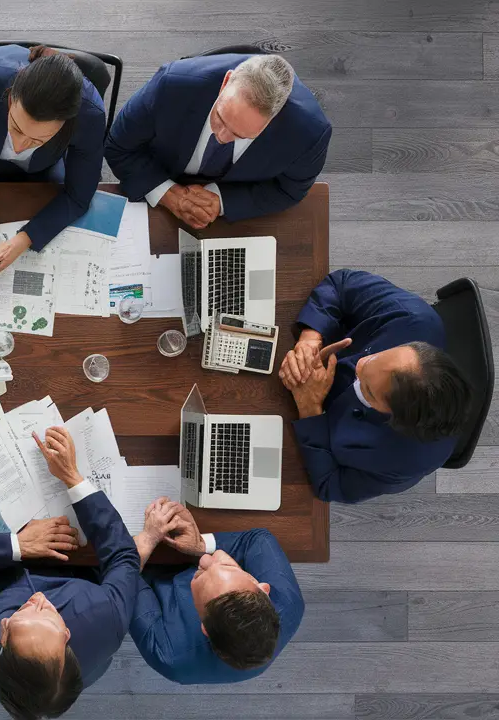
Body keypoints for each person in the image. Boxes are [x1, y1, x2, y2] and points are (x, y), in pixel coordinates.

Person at [0, 426, 139, 719]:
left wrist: (19, 545)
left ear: (2, 635)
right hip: (75, 560)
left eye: (24, 613)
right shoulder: (107, 619)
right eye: (47, 616)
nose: (40, 597)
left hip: (4, 558)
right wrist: (72, 477)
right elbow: (122, 557)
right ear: (66, 634)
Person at [278, 269, 472, 503]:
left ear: (390, 417)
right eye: (373, 356)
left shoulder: (407, 461)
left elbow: (331, 485)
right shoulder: (414, 317)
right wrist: (311, 339)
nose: (357, 364)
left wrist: (309, 407)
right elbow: (341, 284)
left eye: (366, 388)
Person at [0, 45, 106, 275]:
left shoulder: (90, 115)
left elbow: (79, 196)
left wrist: (23, 240)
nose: (19, 146)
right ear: (10, 98)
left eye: (37, 139)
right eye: (16, 127)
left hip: (40, 172)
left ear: (66, 124)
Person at [104, 54, 330, 230]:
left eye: (241, 135)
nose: (221, 137)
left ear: (274, 121)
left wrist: (222, 202)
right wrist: (170, 195)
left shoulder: (309, 134)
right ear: (225, 82)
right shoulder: (171, 85)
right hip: (161, 170)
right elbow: (117, 146)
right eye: (220, 118)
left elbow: (289, 190)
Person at [129, 498, 304, 684]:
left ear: (204, 625)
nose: (205, 560)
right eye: (228, 566)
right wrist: (200, 545)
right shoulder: (288, 602)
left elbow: (123, 580)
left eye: (199, 577)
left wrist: (147, 539)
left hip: (148, 577)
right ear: (262, 587)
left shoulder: (167, 653)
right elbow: (258, 540)